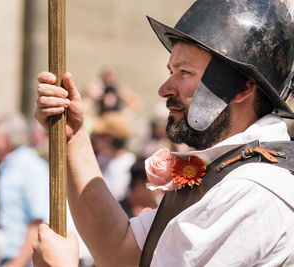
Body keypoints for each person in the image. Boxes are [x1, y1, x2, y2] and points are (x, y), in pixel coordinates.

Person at [33, 0, 294, 266]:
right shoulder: (229, 171)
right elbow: (121, 251)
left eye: (184, 72)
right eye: (171, 71)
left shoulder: (249, 192)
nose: (165, 88)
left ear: (242, 89)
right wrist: (73, 136)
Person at [0, 113, 49, 267]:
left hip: (19, 260)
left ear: (7, 137)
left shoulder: (31, 166)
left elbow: (38, 221)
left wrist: (18, 262)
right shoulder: (5, 166)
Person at [90, 111, 136, 201]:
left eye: (97, 135)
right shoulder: (101, 158)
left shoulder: (129, 165)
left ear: (108, 138)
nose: (93, 138)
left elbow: (117, 197)